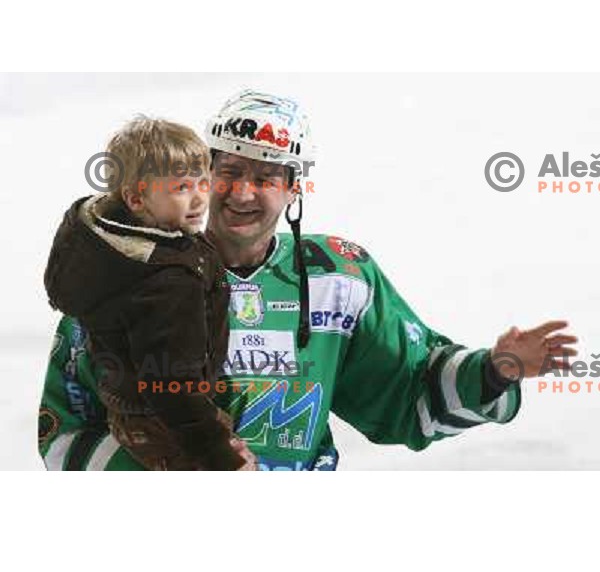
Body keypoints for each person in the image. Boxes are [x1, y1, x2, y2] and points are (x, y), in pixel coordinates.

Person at [38, 90, 578, 471]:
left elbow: (407, 395)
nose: (242, 193)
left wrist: (494, 371)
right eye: (228, 171)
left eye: (266, 177)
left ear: (295, 189)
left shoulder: (338, 278)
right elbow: (65, 428)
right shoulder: (130, 271)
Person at [42, 116, 253, 470]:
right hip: (162, 420)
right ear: (137, 199)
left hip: (127, 402)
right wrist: (221, 458)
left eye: (204, 182)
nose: (200, 198)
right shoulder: (166, 281)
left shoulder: (103, 241)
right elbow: (174, 389)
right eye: (182, 187)